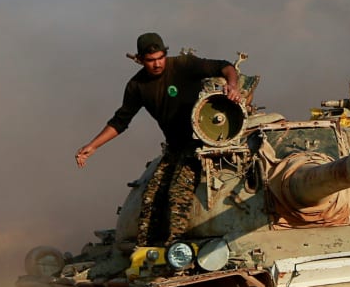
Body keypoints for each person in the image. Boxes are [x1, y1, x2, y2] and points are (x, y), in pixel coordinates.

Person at [76, 34, 242, 247]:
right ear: (140, 60)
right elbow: (120, 121)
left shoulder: (182, 65)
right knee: (150, 198)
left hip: (201, 143)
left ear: (165, 54)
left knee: (178, 194)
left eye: (160, 57)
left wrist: (232, 86)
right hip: (175, 147)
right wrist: (92, 146)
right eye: (151, 60)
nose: (157, 64)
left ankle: (176, 248)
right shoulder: (137, 86)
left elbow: (225, 66)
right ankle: (146, 250)